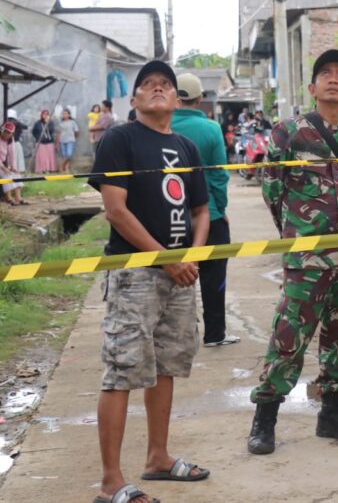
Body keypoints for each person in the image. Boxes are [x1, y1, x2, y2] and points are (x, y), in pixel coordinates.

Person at [88, 60, 212, 503]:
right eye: (148, 85)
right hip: (135, 273)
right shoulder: (119, 139)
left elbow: (201, 210)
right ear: (135, 99)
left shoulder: (185, 146)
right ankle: (111, 481)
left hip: (181, 275)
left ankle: (158, 457)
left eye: (166, 85)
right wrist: (165, 260)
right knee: (122, 369)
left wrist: (192, 254)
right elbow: (116, 210)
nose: (157, 89)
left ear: (178, 100)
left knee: (166, 366)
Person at [247, 49, 338, 455]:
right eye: (326, 74)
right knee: (290, 335)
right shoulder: (289, 132)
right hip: (307, 257)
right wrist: (296, 234)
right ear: (312, 87)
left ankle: (333, 415)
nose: (334, 79)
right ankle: (264, 419)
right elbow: (272, 188)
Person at [171, 73, 238, 348]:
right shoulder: (211, 129)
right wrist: (219, 208)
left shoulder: (160, 126)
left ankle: (178, 336)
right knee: (213, 275)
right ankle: (214, 334)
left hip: (169, 216)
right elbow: (219, 176)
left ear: (175, 98)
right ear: (200, 98)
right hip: (208, 214)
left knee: (172, 278)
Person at [0, 122, 26, 206]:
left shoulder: (11, 140)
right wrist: (4, 168)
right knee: (5, 173)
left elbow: (12, 155)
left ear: (12, 133)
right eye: (6, 131)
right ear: (2, 130)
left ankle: (18, 198)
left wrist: (13, 167)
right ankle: (8, 198)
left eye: (9, 133)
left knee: (15, 173)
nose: (7, 134)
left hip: (2, 163)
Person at [31, 109, 58, 173]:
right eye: (44, 114)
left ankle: (49, 169)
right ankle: (41, 169)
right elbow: (33, 131)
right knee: (42, 157)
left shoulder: (51, 123)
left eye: (47, 114)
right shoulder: (37, 123)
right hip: (41, 142)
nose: (45, 116)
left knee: (49, 156)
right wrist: (37, 137)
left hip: (49, 142)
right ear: (41, 115)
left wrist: (47, 123)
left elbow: (52, 131)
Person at [6, 109, 27, 174]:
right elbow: (25, 127)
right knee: (16, 158)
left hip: (8, 143)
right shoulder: (17, 123)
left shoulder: (6, 122)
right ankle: (17, 169)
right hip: (15, 142)